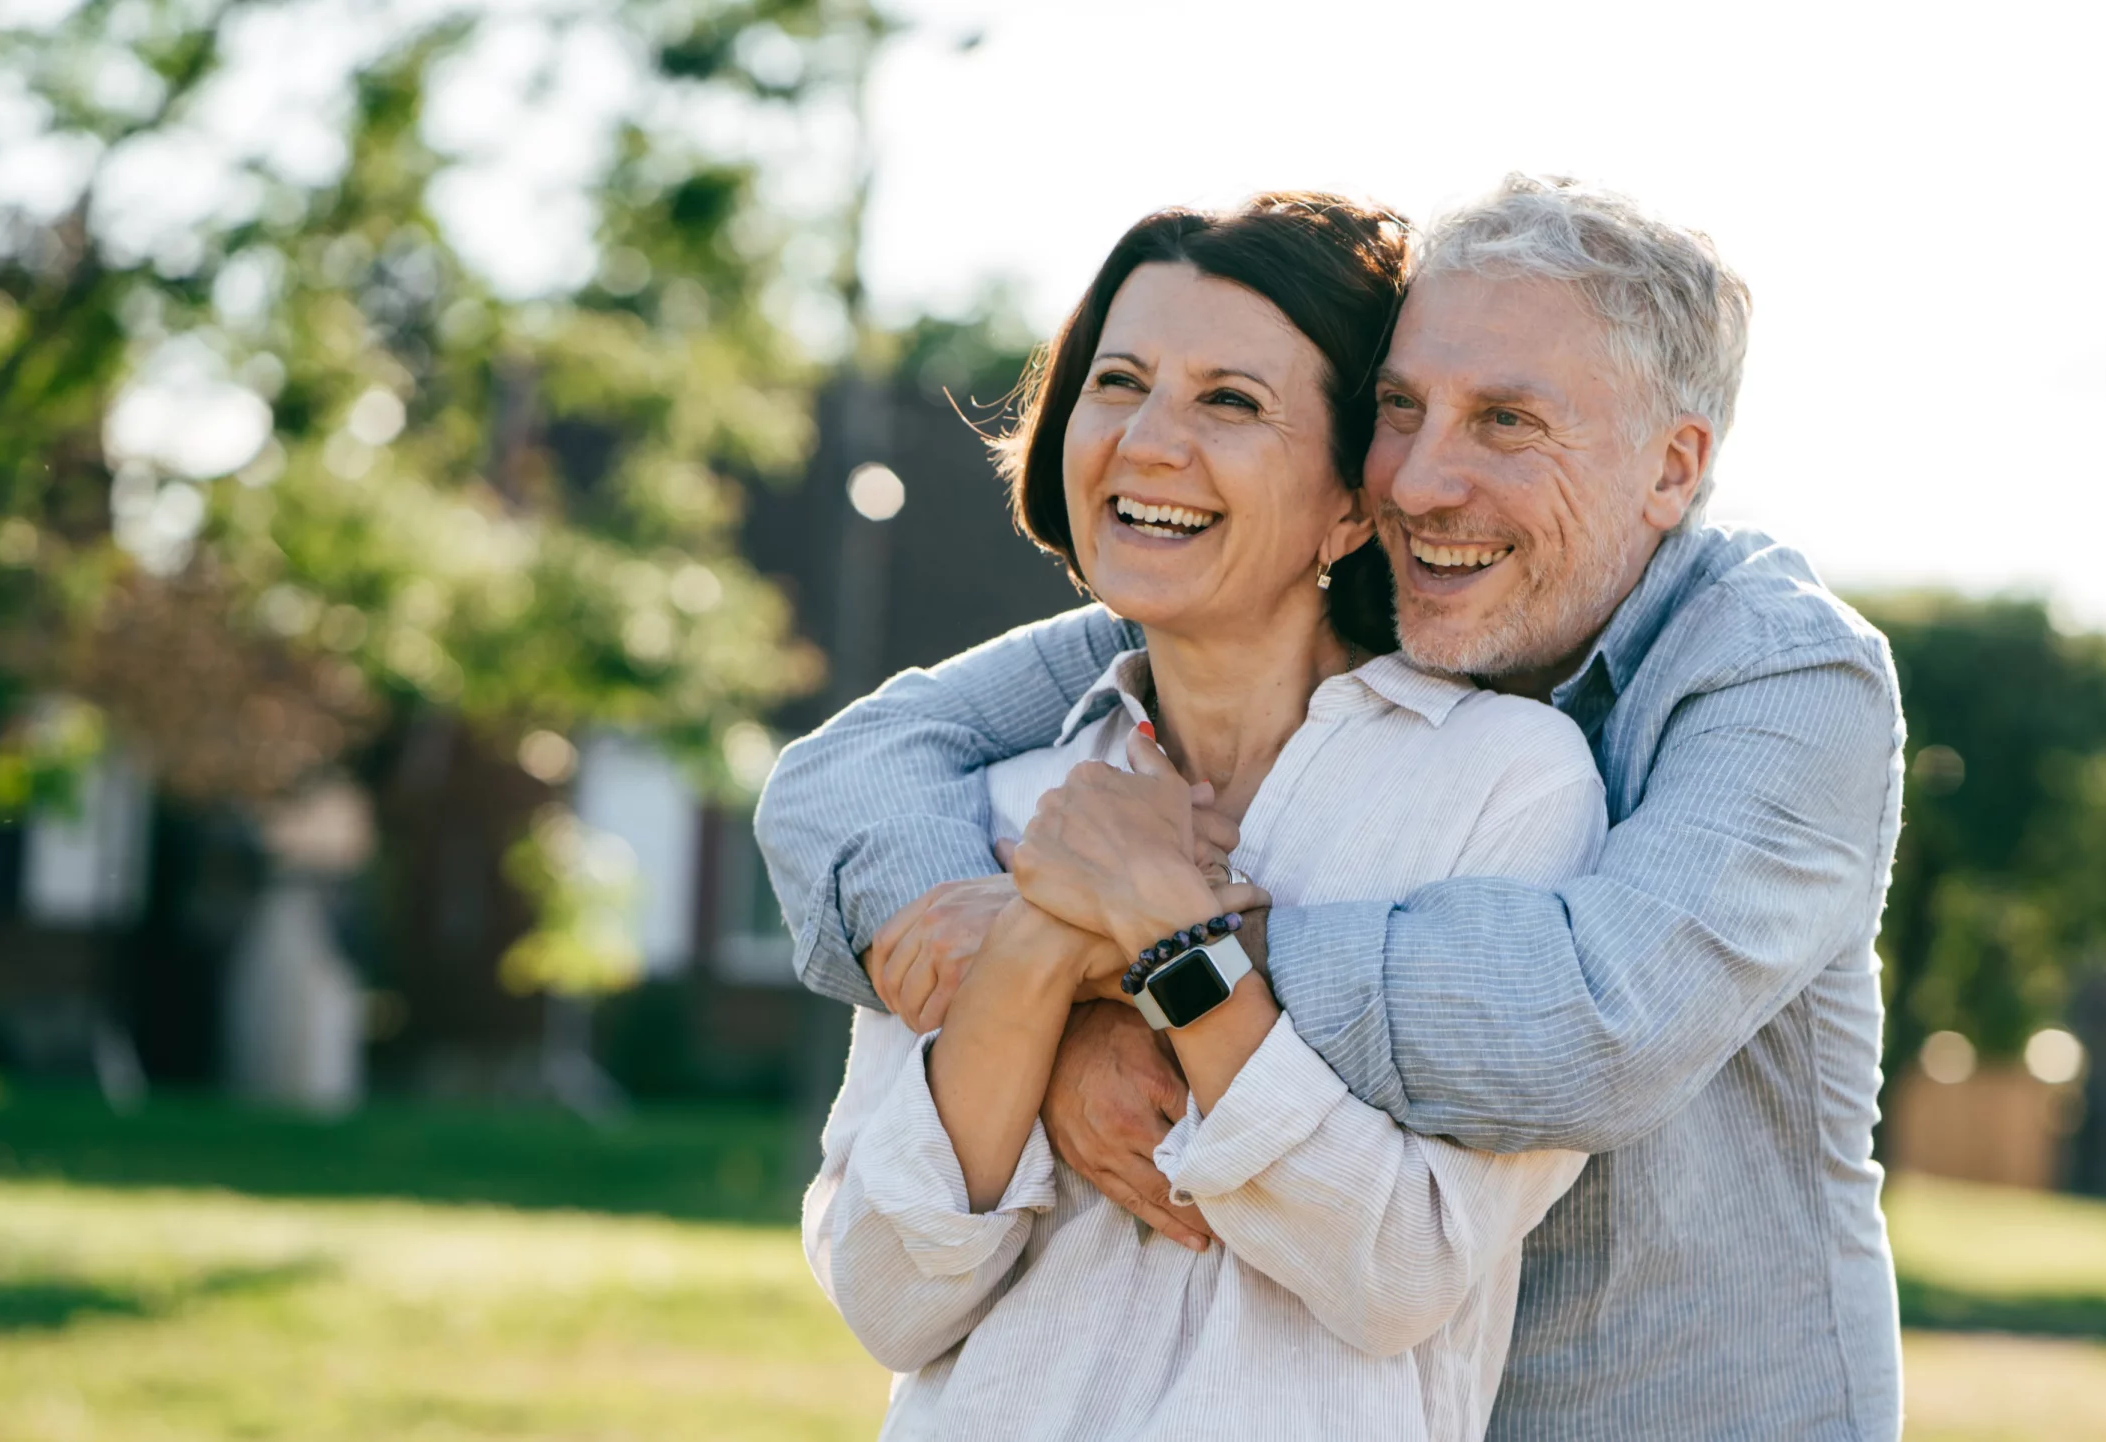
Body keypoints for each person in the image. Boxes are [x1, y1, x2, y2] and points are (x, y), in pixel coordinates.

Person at [762, 175, 1908, 1441]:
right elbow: (854, 766)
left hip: (1685, 1405)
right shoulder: (1216, 628)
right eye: (1400, 410)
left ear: (1671, 466)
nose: (1422, 480)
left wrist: (1138, 953)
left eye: (1508, 421)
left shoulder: (1776, 676)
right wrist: (1040, 994)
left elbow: (1592, 1024)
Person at [800, 192, 1614, 1441]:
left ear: (1354, 500)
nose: (1147, 442)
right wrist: (1031, 948)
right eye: (1119, 382)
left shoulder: (1506, 784)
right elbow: (889, 1301)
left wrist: (1157, 934)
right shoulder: (1002, 803)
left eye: (1230, 401)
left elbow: (1399, 1271)